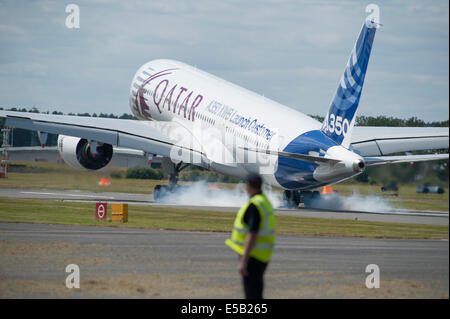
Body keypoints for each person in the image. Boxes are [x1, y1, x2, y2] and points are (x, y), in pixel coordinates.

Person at [225, 172, 275, 299]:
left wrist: (243, 260)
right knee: (257, 292)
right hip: (263, 256)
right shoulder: (264, 201)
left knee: (252, 294)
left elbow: (252, 233)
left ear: (248, 185)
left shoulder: (255, 205)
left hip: (253, 256)